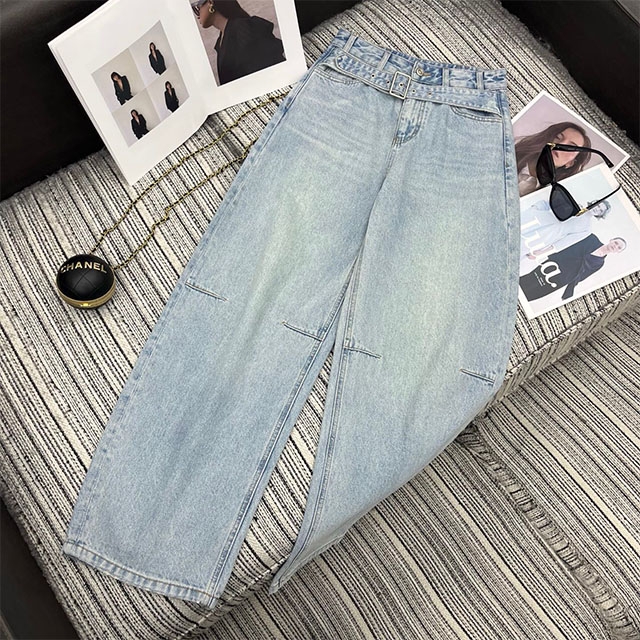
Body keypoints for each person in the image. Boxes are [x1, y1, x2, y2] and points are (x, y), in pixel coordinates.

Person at [197, 0, 285, 85]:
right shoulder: (221, 41)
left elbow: (269, 71)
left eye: (197, 8)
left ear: (210, 2)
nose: (198, 16)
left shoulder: (244, 29)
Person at [519, 234, 626, 301]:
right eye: (616, 242)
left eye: (619, 247)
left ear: (618, 252)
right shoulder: (591, 238)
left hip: (563, 279)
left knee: (535, 293)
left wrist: (570, 288)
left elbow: (582, 276)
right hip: (554, 264)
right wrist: (542, 253)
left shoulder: (600, 263)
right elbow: (567, 244)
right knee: (528, 280)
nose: (615, 246)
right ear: (611, 240)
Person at [520, 198, 612, 262]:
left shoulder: (587, 229)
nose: (597, 209)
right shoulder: (574, 204)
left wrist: (541, 253)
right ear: (594, 202)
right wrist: (535, 208)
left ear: (601, 215)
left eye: (601, 210)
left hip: (543, 237)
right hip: (535, 221)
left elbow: (564, 243)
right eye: (598, 205)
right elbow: (548, 203)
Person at [515, 122, 592, 196]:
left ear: (570, 162)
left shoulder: (552, 194)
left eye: (570, 147)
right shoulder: (514, 153)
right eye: (558, 137)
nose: (560, 144)